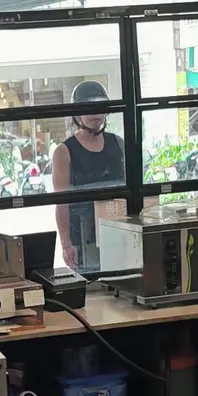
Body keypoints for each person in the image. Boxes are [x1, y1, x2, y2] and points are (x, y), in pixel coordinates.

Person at [51, 80, 125, 273]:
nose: (95, 113)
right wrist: (66, 244)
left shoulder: (118, 144)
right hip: (82, 237)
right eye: (89, 108)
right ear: (77, 114)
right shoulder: (64, 152)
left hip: (118, 232)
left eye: (99, 107)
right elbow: (61, 202)